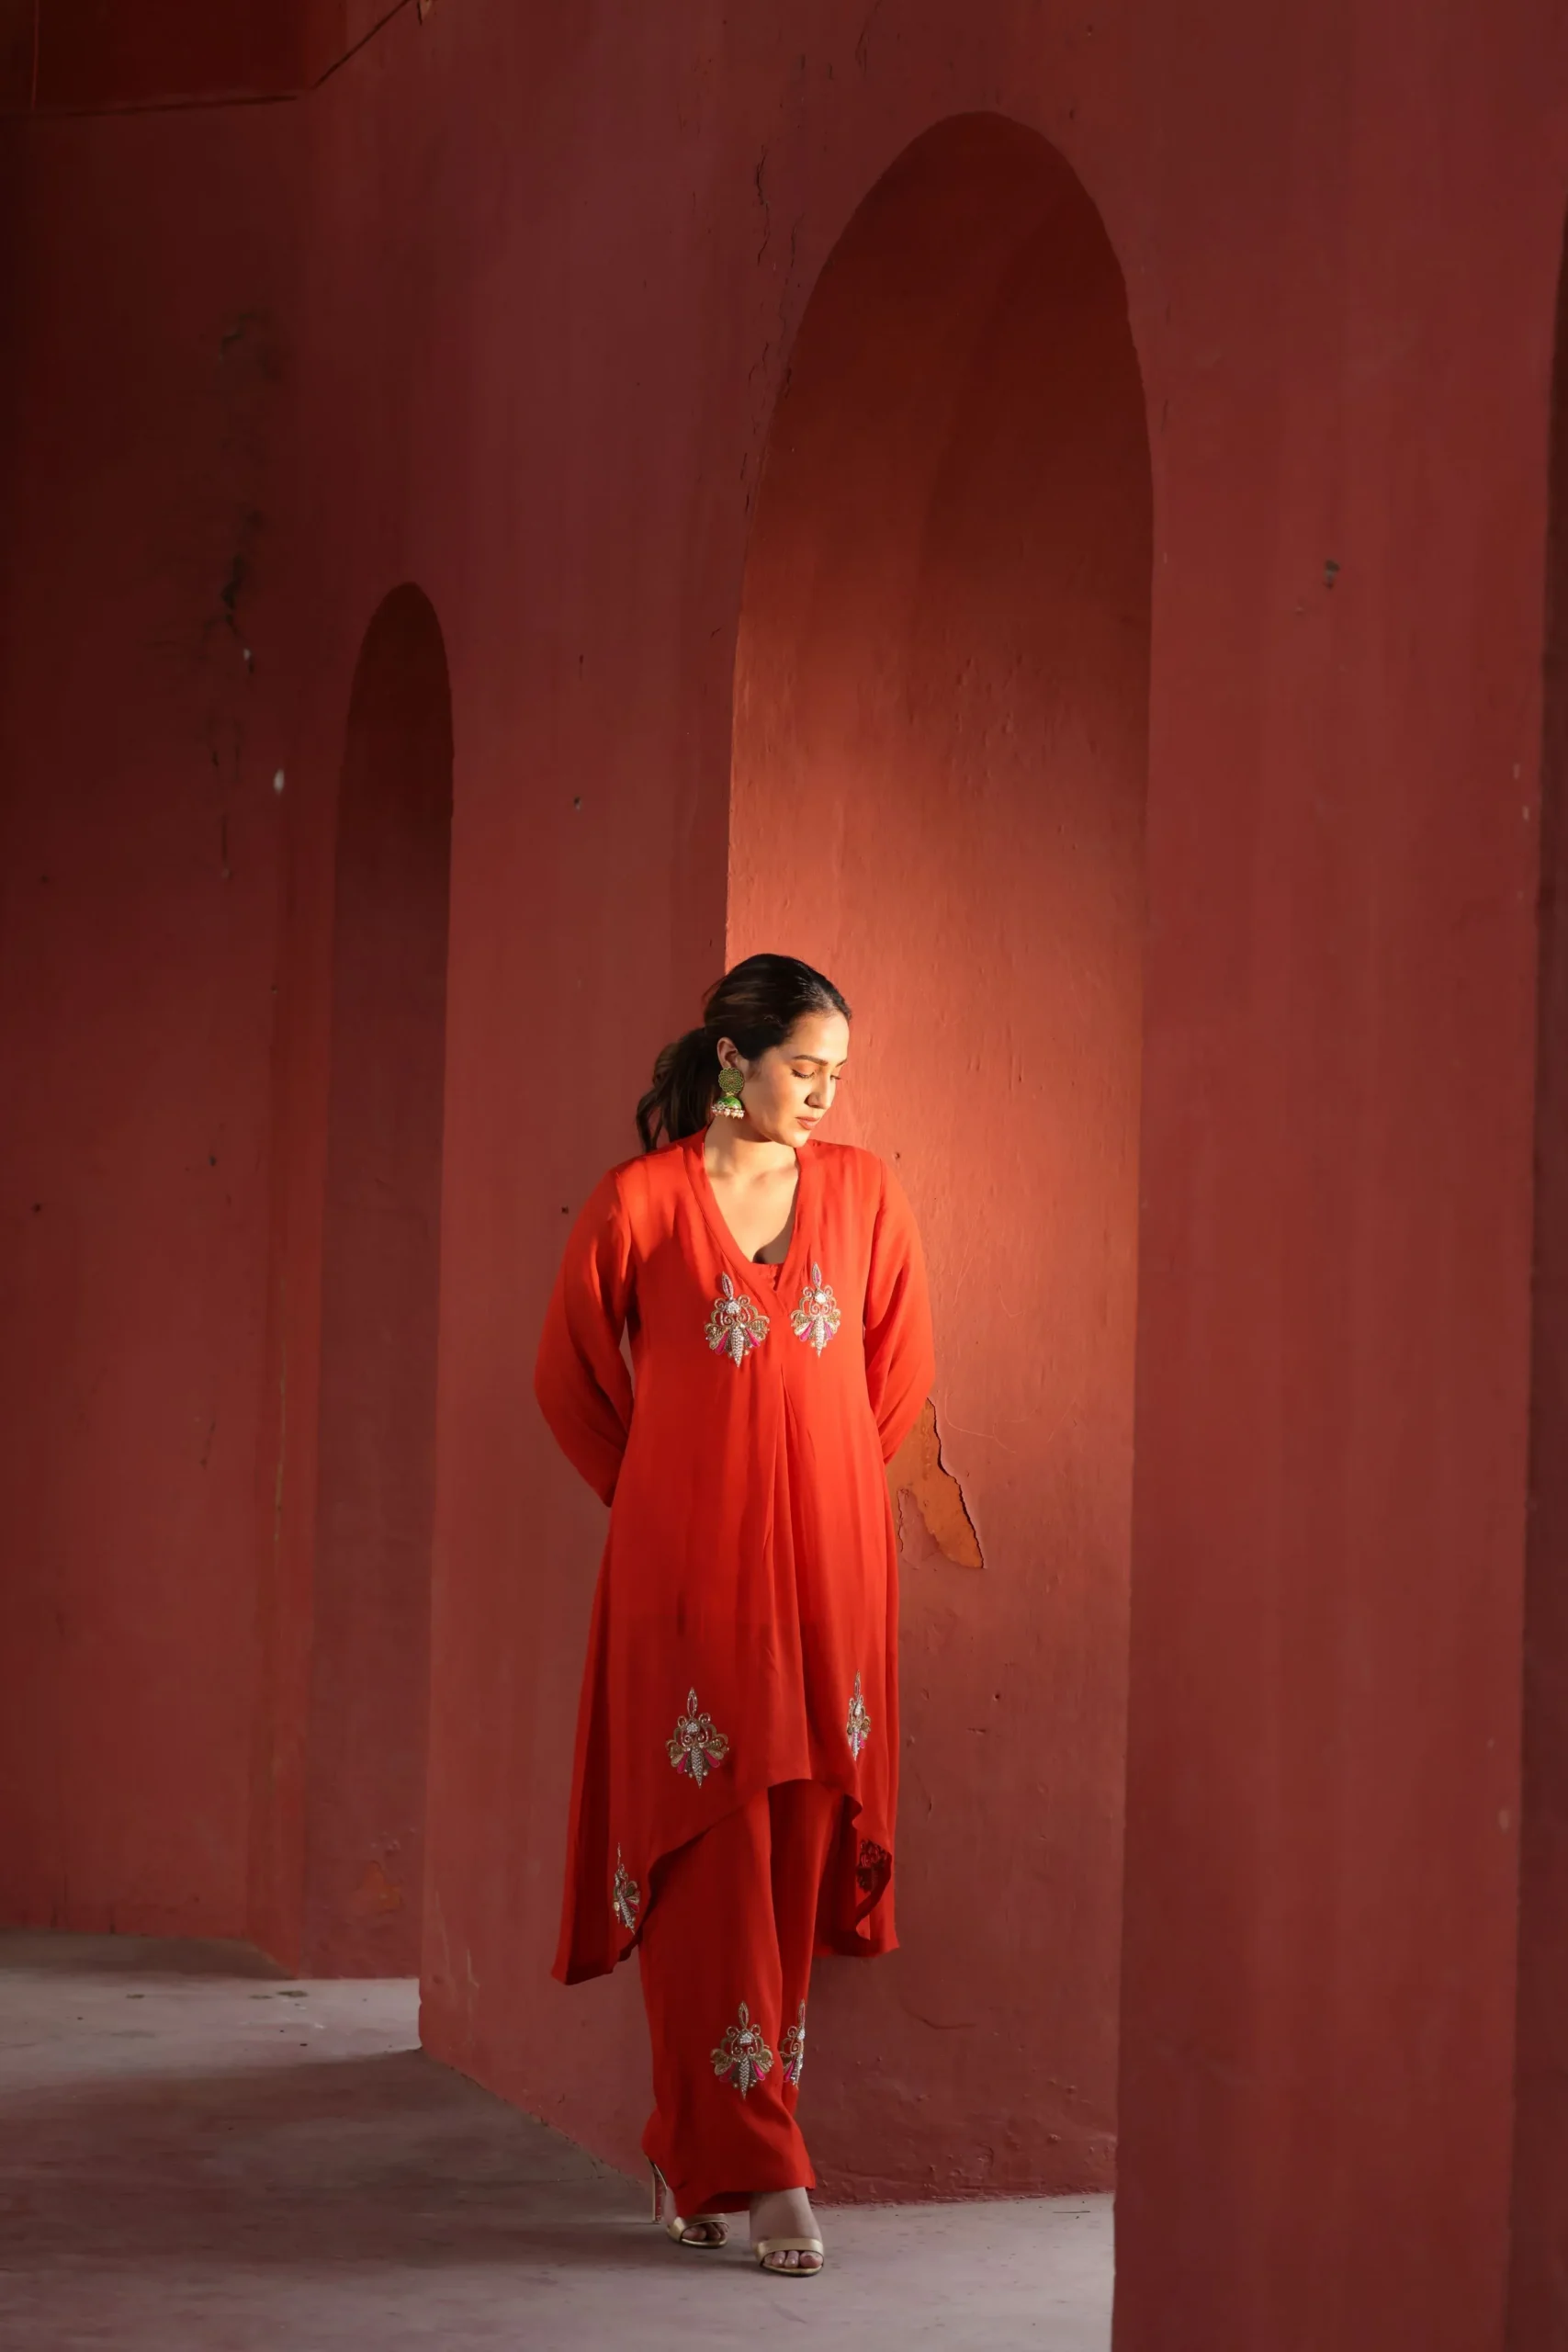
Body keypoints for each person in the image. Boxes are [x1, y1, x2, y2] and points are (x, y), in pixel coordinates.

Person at [534, 952, 934, 2279]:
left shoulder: (865, 1193)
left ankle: (694, 2144)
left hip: (829, 1575)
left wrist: (815, 1488)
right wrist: (668, 1494)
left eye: (837, 1074)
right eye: (802, 1068)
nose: (823, 1095)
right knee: (708, 1854)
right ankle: (766, 2172)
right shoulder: (641, 1203)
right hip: (686, 1577)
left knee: (799, 1842)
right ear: (732, 1059)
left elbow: (894, 1376)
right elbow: (568, 1380)